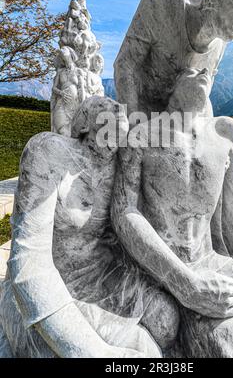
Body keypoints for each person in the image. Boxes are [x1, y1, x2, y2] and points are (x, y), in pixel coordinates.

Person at [111, 68, 233, 358]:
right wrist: (185, 284)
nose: (202, 68)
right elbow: (124, 212)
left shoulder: (223, 133)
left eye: (208, 65)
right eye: (191, 64)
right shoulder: (141, 136)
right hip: (170, 275)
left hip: (215, 262)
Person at [0, 96, 165, 358]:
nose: (113, 139)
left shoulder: (121, 166)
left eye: (119, 130)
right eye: (106, 125)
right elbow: (29, 260)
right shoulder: (49, 151)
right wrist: (93, 351)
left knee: (163, 324)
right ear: (86, 123)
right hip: (46, 284)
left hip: (99, 279)